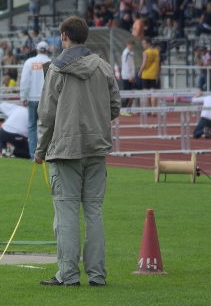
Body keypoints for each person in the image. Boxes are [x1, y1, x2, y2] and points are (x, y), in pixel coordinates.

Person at [35, 16, 121, 286]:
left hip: (65, 149)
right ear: (85, 37)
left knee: (66, 212)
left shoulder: (56, 69)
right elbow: (115, 106)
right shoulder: (103, 66)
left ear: (64, 36)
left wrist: (40, 149)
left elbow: (46, 114)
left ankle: (68, 274)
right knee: (94, 211)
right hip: (96, 147)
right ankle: (97, 275)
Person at [19, 41, 50, 159]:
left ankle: (34, 155)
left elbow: (24, 81)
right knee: (46, 127)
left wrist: (23, 97)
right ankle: (46, 154)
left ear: (37, 50)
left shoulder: (29, 62)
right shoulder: (51, 62)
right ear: (47, 50)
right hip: (46, 99)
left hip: (32, 98)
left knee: (32, 127)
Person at [138, 38, 160, 111]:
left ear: (148, 44)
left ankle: (148, 109)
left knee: (146, 93)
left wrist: (140, 71)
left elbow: (144, 63)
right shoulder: (156, 52)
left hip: (146, 75)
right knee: (153, 93)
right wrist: (157, 74)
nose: (143, 45)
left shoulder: (146, 52)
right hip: (154, 75)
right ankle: (154, 110)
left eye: (144, 44)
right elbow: (158, 64)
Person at [120, 39, 138, 109]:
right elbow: (126, 66)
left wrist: (133, 76)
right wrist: (130, 76)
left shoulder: (130, 53)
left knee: (130, 93)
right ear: (127, 45)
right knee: (127, 93)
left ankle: (128, 108)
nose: (131, 46)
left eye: (132, 45)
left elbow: (132, 66)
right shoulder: (126, 53)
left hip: (130, 76)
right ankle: (124, 109)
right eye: (130, 45)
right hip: (126, 76)